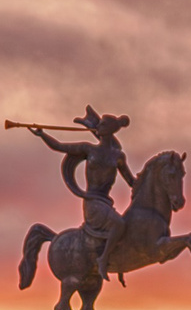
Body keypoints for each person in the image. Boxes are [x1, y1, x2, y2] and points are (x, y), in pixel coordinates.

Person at [22, 107, 138, 281]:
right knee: (119, 225)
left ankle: (115, 261)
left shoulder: (118, 156)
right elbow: (59, 146)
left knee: (125, 226)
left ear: (110, 130)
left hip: (105, 202)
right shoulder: (88, 149)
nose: (99, 126)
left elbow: (130, 180)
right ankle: (103, 260)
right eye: (99, 124)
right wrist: (42, 135)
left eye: (103, 124)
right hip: (92, 202)